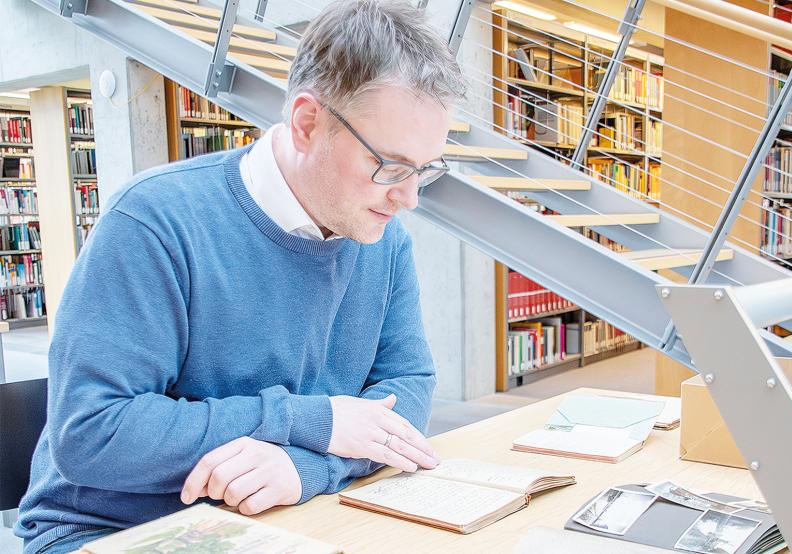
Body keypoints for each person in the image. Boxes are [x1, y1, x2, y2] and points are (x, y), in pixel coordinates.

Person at [16, 1, 467, 552]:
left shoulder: (383, 235)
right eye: (391, 167)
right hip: (115, 528)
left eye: (426, 170)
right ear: (307, 123)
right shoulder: (153, 222)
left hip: (288, 514)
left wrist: (304, 469)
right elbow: (92, 433)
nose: (409, 197)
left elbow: (408, 391)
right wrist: (310, 420)